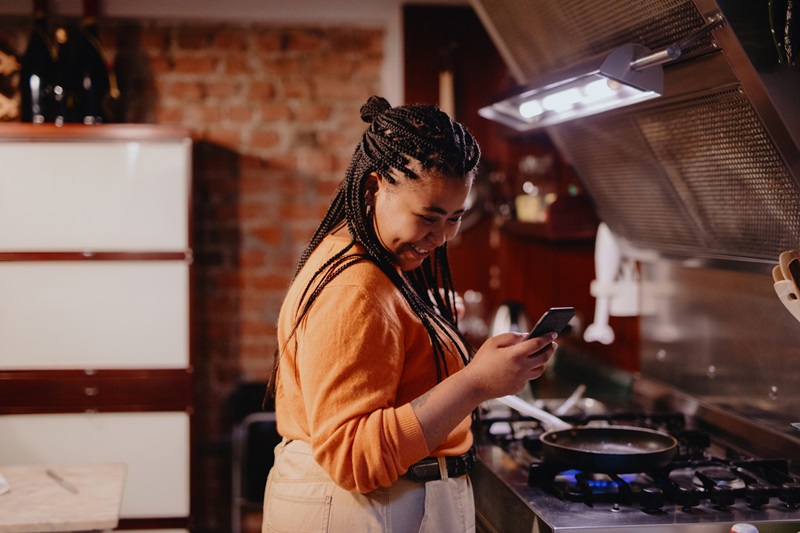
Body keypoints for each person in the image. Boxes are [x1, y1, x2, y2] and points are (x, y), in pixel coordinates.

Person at [263, 95, 558, 533]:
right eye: (429, 217)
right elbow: (353, 457)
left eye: (455, 218)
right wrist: (477, 382)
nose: (441, 237)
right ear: (375, 187)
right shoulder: (355, 288)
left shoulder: (372, 262)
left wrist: (425, 330)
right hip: (361, 511)